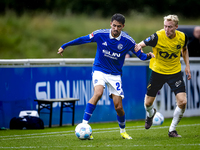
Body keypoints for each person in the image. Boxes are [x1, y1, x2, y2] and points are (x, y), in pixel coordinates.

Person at [57, 13, 154, 140]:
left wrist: (148, 56)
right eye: (114, 25)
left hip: (115, 75)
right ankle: (84, 125)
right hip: (99, 70)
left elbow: (140, 56)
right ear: (110, 24)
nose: (115, 29)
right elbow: (83, 39)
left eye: (119, 26)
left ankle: (123, 131)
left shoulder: (128, 41)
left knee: (118, 107)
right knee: (98, 93)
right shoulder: (100, 34)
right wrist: (64, 45)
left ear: (123, 26)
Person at [136, 15, 191, 137]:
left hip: (174, 73)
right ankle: (150, 114)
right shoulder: (157, 36)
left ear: (176, 27)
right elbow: (138, 46)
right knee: (148, 103)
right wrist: (145, 55)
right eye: (165, 26)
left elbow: (185, 49)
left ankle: (172, 130)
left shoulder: (182, 37)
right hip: (157, 72)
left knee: (182, 102)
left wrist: (187, 66)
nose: (167, 29)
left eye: (170, 27)